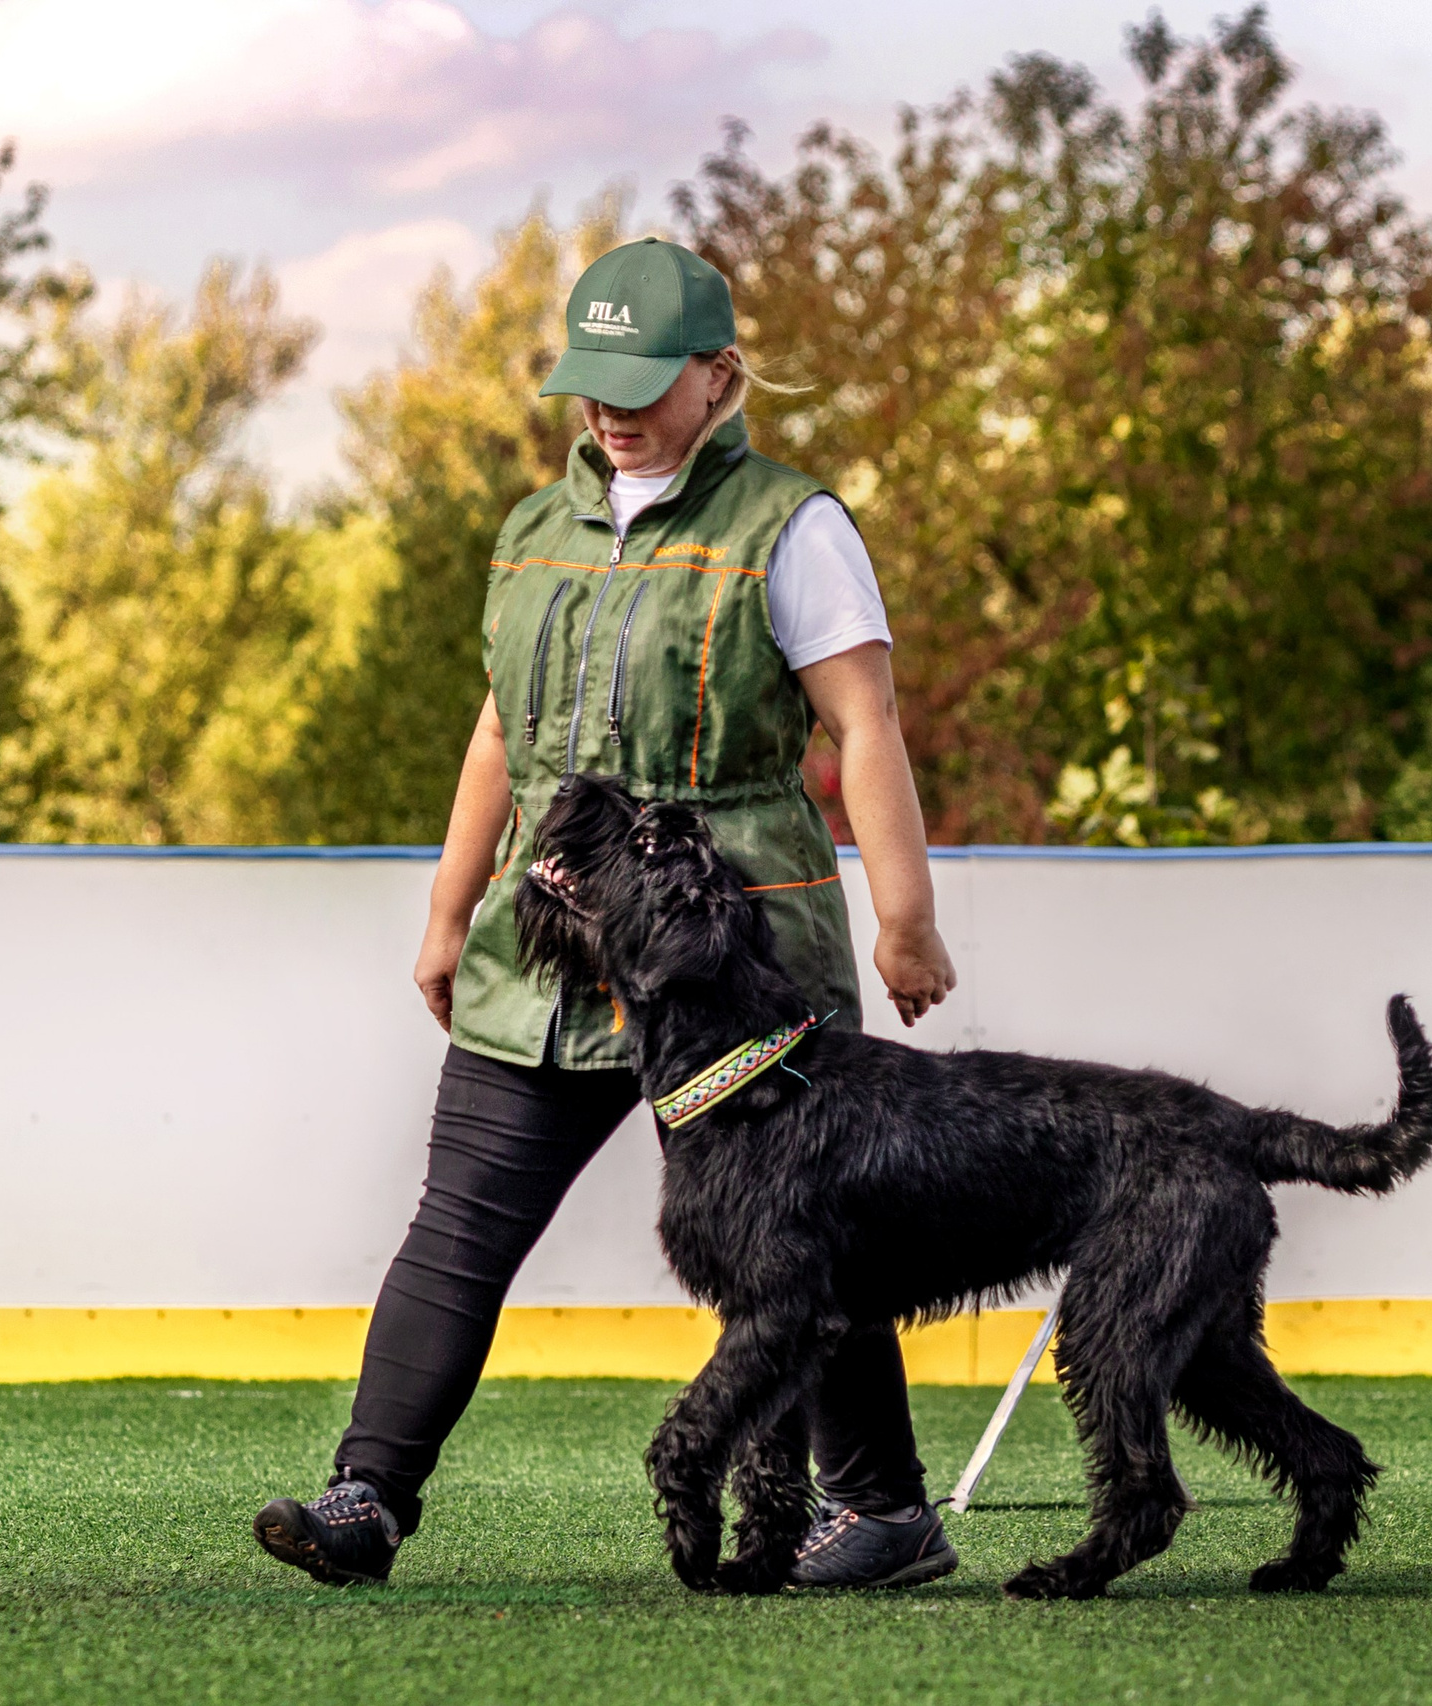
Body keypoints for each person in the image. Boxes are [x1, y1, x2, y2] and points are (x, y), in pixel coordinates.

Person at [254, 237, 961, 1590]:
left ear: (721, 374)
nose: (613, 407)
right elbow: (497, 734)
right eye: (594, 379)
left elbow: (862, 723)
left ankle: (880, 1513)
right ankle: (366, 1499)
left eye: (644, 379)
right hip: (553, 940)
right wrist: (451, 909)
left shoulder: (791, 526)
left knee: (794, 1232)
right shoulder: (532, 530)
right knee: (461, 1216)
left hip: (730, 944)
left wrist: (904, 915)